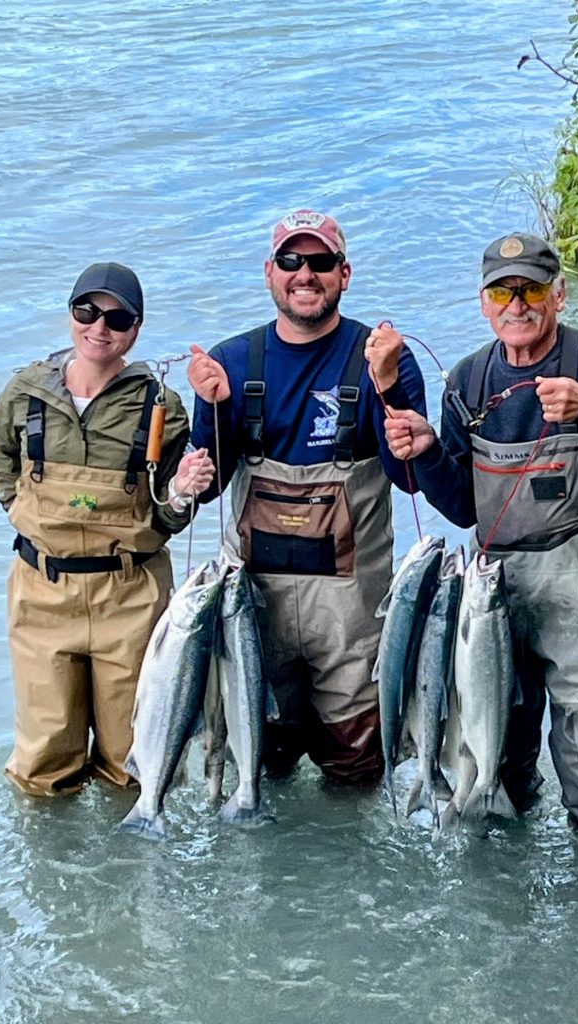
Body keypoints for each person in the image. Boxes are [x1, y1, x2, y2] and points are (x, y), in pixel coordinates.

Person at [383, 231, 578, 842]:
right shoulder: (468, 380)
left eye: (530, 289)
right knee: (496, 766)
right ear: (483, 302)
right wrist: (426, 453)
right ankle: (505, 886)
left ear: (559, 294)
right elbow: (463, 508)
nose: (517, 305)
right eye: (502, 292)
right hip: (494, 604)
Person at [188, 208, 427, 784]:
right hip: (255, 609)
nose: (305, 274)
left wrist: (389, 386)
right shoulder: (229, 362)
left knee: (357, 772)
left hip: (351, 618)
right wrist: (211, 410)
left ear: (344, 274)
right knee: (261, 766)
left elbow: (411, 479)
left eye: (320, 261)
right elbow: (208, 486)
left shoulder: (381, 357)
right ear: (269, 272)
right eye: (291, 260)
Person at [0, 262, 215, 797]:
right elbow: (1, 464)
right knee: (41, 765)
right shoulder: (24, 393)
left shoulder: (161, 407)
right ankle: (51, 851)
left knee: (133, 761)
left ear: (136, 329)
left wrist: (183, 491)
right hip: (41, 596)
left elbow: (167, 517)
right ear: (70, 313)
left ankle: (130, 845)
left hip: (131, 599)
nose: (99, 328)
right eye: (87, 311)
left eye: (117, 318)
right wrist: (25, 516)